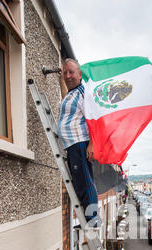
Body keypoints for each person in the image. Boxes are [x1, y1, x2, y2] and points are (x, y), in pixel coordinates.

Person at [57, 58, 100, 227]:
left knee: (85, 181)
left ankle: (92, 219)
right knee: (79, 182)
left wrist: (92, 144)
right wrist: (61, 80)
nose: (68, 75)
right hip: (72, 144)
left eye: (71, 72)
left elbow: (93, 119)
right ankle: (87, 216)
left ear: (80, 74)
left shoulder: (83, 93)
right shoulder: (71, 94)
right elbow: (65, 98)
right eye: (65, 72)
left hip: (80, 142)